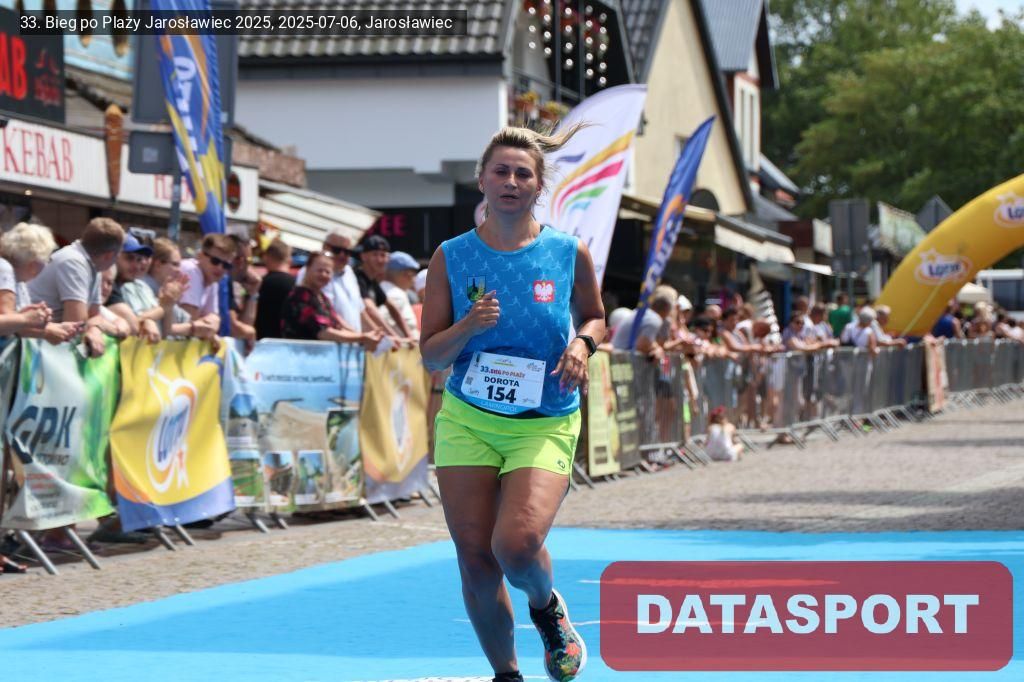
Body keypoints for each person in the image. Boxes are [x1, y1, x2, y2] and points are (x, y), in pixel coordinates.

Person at [420, 124, 603, 682]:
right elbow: (431, 354)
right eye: (500, 171)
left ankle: (546, 609)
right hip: (468, 420)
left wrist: (582, 345)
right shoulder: (451, 256)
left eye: (523, 173)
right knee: (477, 563)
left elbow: (595, 316)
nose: (511, 181)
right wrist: (468, 325)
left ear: (538, 186)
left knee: (517, 547)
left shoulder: (567, 251)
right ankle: (507, 674)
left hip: (543, 420)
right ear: (482, 180)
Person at [27, 216, 127, 355]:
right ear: (109, 255)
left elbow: (94, 317)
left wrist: (96, 327)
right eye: (118, 255)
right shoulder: (73, 262)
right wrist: (96, 326)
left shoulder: (94, 266)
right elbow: (76, 325)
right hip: (29, 346)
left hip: (43, 347)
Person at [281, 251, 383, 350]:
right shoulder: (301, 296)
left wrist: (365, 337)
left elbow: (338, 326)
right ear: (307, 269)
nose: (324, 275)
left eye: (328, 272)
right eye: (319, 270)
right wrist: (363, 338)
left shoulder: (322, 298)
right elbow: (324, 333)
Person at [0, 222, 73, 341]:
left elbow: (12, 323)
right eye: (46, 260)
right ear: (33, 264)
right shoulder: (4, 269)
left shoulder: (19, 281)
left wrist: (47, 324)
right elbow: (7, 326)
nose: (46, 265)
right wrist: (27, 319)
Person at [354, 234, 413, 340]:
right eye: (375, 254)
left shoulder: (372, 281)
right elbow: (369, 309)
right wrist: (393, 337)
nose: (380, 259)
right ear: (363, 256)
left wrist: (409, 335)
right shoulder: (356, 277)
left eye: (383, 255)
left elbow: (392, 307)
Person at [180, 232, 236, 328]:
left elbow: (214, 319)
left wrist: (209, 324)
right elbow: (189, 320)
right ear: (200, 256)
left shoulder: (212, 280)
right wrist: (208, 324)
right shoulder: (191, 270)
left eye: (226, 265)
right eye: (215, 261)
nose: (220, 268)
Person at [254, 238, 296, 340]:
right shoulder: (298, 287)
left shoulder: (258, 284)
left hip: (261, 342)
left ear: (266, 257)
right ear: (289, 259)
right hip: (290, 344)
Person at [380, 250, 421, 340]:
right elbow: (380, 320)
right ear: (406, 274)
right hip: (398, 347)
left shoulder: (383, 289)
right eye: (413, 274)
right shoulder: (396, 294)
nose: (414, 279)